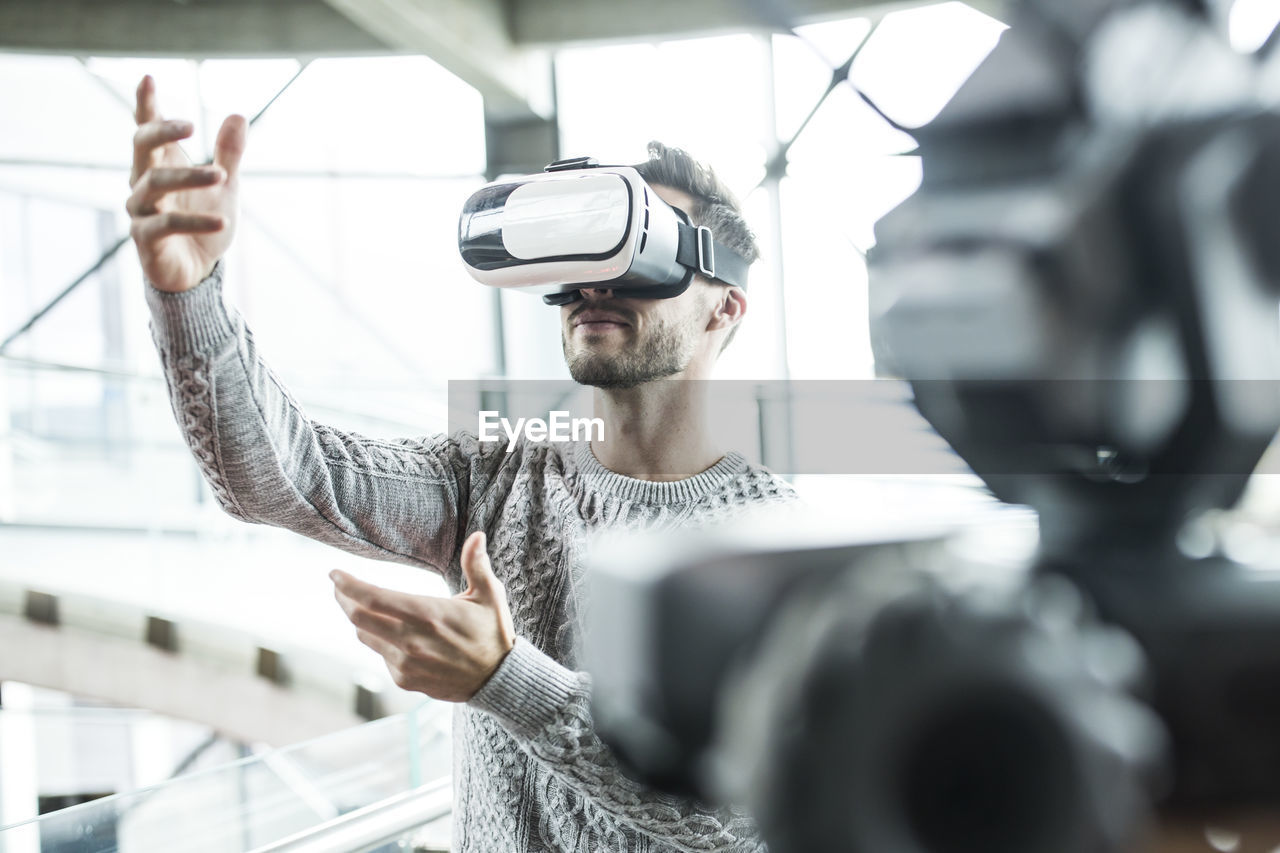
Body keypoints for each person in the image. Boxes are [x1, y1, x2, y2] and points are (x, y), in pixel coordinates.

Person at [127, 74, 797, 852]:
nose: (595, 281)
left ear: (724, 306)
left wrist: (509, 680)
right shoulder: (493, 474)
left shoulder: (772, 541)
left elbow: (744, 812)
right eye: (588, 246)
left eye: (642, 247)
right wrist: (189, 293)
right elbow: (283, 474)